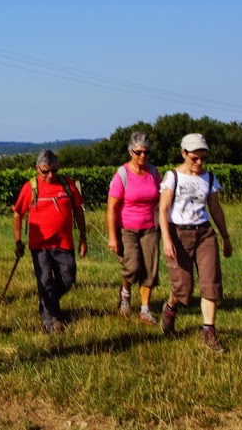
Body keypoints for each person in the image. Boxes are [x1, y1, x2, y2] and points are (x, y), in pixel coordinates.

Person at [158, 133, 233, 352]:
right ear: (184, 154)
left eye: (203, 158)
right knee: (184, 289)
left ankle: (209, 331)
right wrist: (167, 239)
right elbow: (163, 209)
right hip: (178, 234)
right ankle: (170, 309)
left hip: (204, 233)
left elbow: (216, 209)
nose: (199, 162)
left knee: (211, 284)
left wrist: (225, 237)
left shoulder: (209, 178)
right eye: (194, 158)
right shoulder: (172, 177)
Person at [13, 149, 88, 333]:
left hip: (64, 243)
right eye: (45, 171)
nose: (50, 175)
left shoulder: (67, 184)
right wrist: (18, 240)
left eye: (54, 170)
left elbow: (78, 210)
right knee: (45, 280)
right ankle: (51, 321)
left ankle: (47, 302)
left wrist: (83, 238)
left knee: (69, 277)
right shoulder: (30, 187)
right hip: (40, 246)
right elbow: (18, 213)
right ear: (37, 168)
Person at [106, 132, 162, 324]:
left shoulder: (154, 173)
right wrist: (113, 237)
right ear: (131, 152)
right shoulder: (122, 174)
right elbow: (112, 207)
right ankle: (125, 293)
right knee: (132, 266)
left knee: (150, 269)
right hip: (127, 228)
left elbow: (161, 200)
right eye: (138, 152)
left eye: (146, 152)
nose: (142, 156)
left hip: (150, 227)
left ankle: (145, 308)